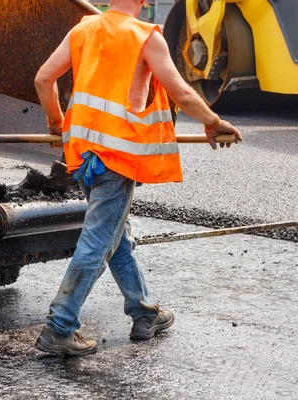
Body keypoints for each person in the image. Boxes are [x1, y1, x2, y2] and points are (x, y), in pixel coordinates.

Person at [33, 0, 243, 357]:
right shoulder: (145, 36)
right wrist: (212, 121)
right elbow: (182, 93)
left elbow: (43, 78)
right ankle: (60, 325)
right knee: (99, 241)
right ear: (143, 2)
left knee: (116, 236)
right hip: (116, 158)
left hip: (83, 155)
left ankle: (143, 312)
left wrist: (55, 122)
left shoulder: (82, 29)